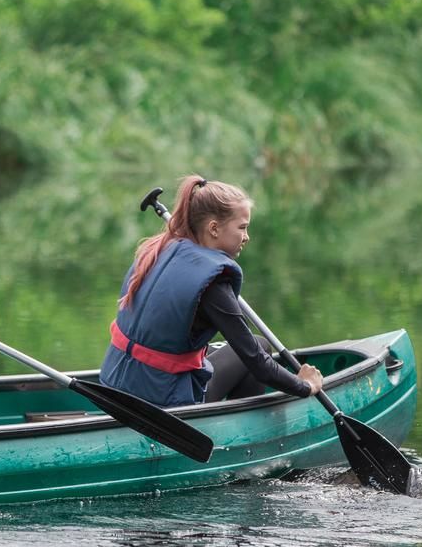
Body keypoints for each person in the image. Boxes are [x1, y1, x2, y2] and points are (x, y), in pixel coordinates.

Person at [100, 174, 323, 408]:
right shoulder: (214, 286)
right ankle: (244, 434)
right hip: (165, 404)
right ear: (214, 228)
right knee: (260, 346)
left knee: (222, 351)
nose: (247, 237)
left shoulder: (157, 251)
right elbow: (258, 363)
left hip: (115, 384)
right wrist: (305, 385)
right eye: (243, 227)